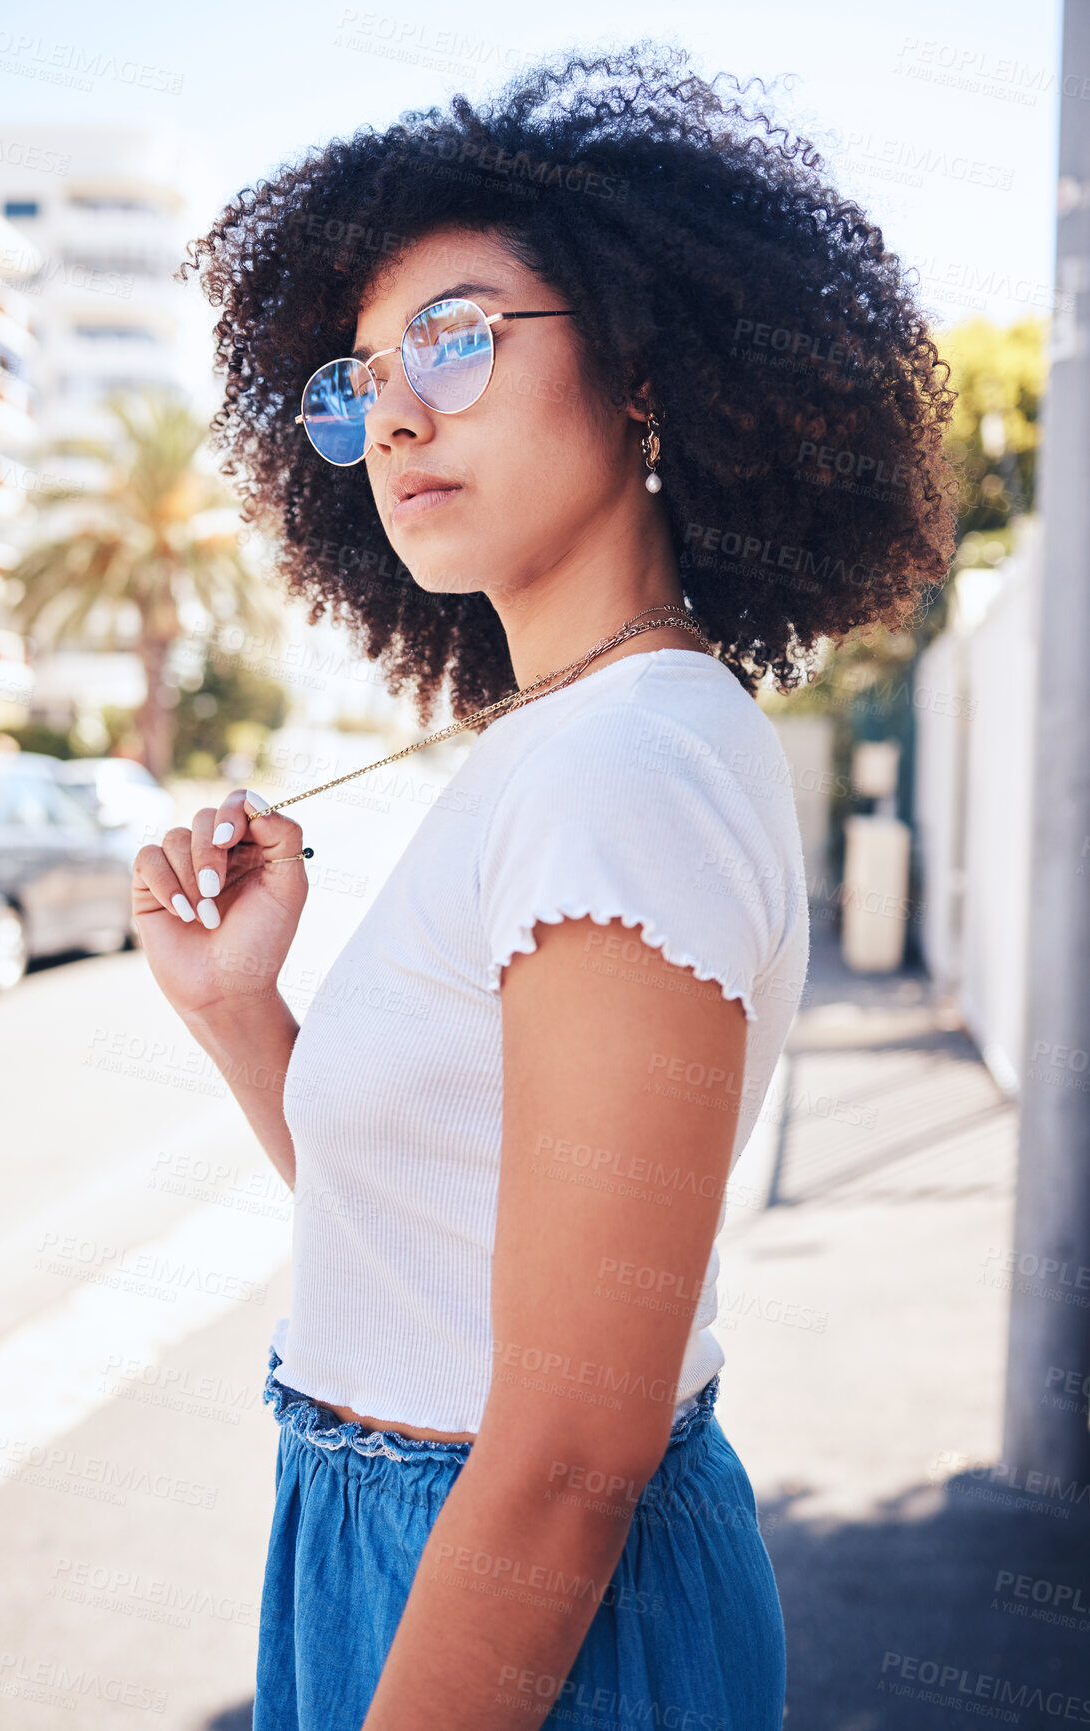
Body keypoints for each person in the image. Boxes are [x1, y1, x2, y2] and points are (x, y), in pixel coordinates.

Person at [132, 43, 956, 1731]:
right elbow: (438, 1247)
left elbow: (575, 1449)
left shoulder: (617, 773)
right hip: (404, 1539)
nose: (399, 413)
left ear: (643, 373)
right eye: (362, 376)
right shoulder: (561, 738)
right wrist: (241, 1018)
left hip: (526, 1601)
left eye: (458, 336)